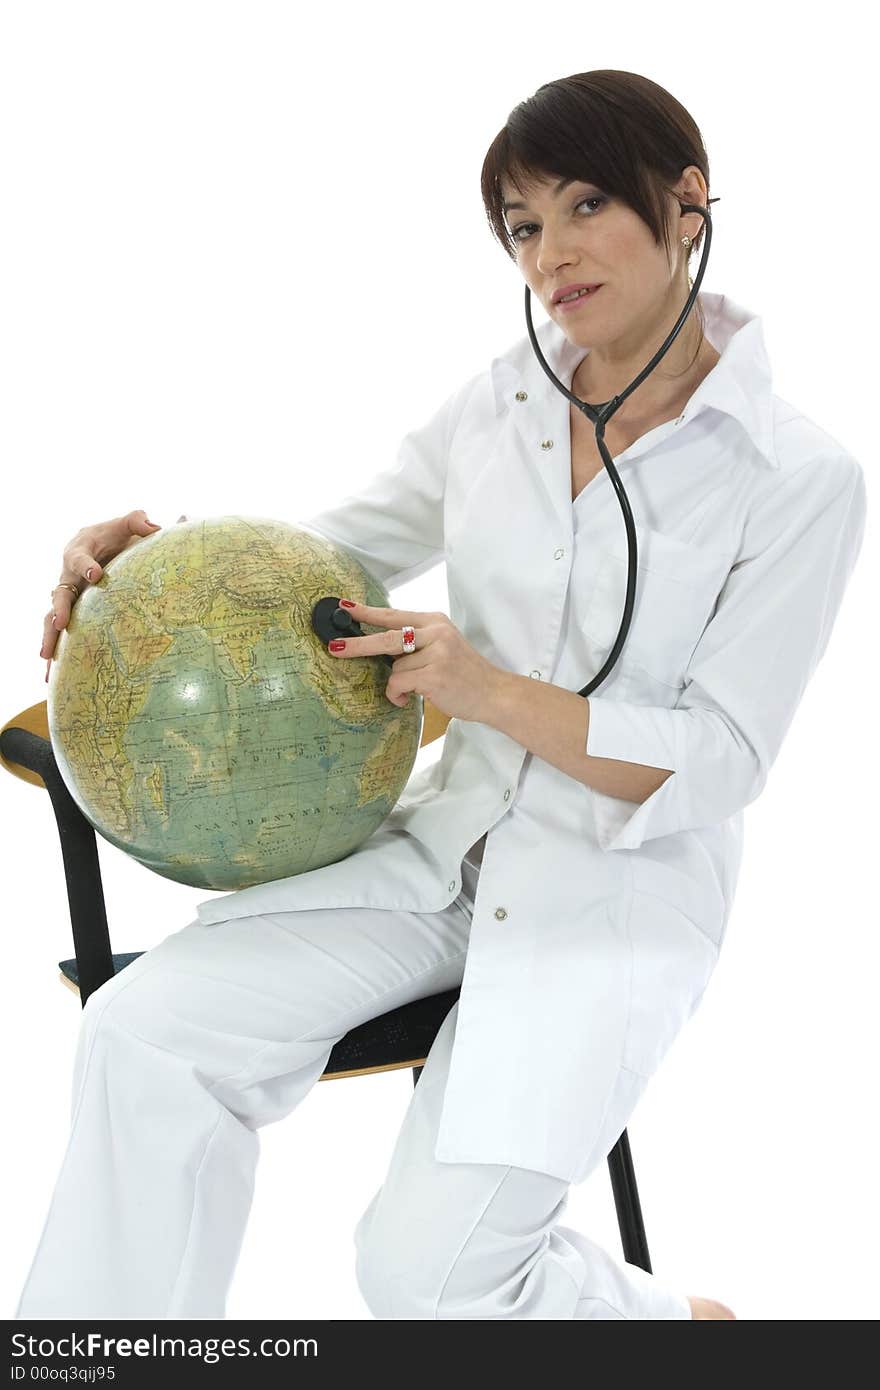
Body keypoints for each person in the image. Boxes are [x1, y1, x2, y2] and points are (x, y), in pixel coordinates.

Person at [19, 70, 866, 1321]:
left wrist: (483, 687)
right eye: (522, 226)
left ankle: (678, 1331)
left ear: (687, 203)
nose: (552, 253)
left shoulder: (799, 477)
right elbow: (328, 558)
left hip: (608, 901)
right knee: (145, 1034)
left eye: (584, 205)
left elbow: (718, 762)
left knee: (423, 1282)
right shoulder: (503, 402)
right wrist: (145, 570)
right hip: (442, 855)